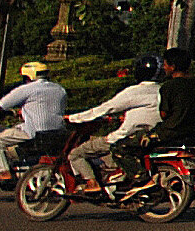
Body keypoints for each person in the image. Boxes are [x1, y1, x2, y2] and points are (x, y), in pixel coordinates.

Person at [68, 57, 166, 192]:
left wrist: (74, 118)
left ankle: (92, 183)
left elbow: (106, 108)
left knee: (76, 154)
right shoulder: (163, 91)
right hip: (152, 137)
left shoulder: (134, 91)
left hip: (126, 138)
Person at [0, 61, 66, 185]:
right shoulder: (59, 89)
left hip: (34, 132)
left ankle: (4, 174)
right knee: (15, 129)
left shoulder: (27, 89)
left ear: (28, 76)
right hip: (57, 131)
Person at [153, 50, 195, 146]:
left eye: (165, 65)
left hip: (172, 132)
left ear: (173, 67)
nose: (164, 67)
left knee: (134, 141)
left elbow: (163, 114)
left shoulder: (168, 86)